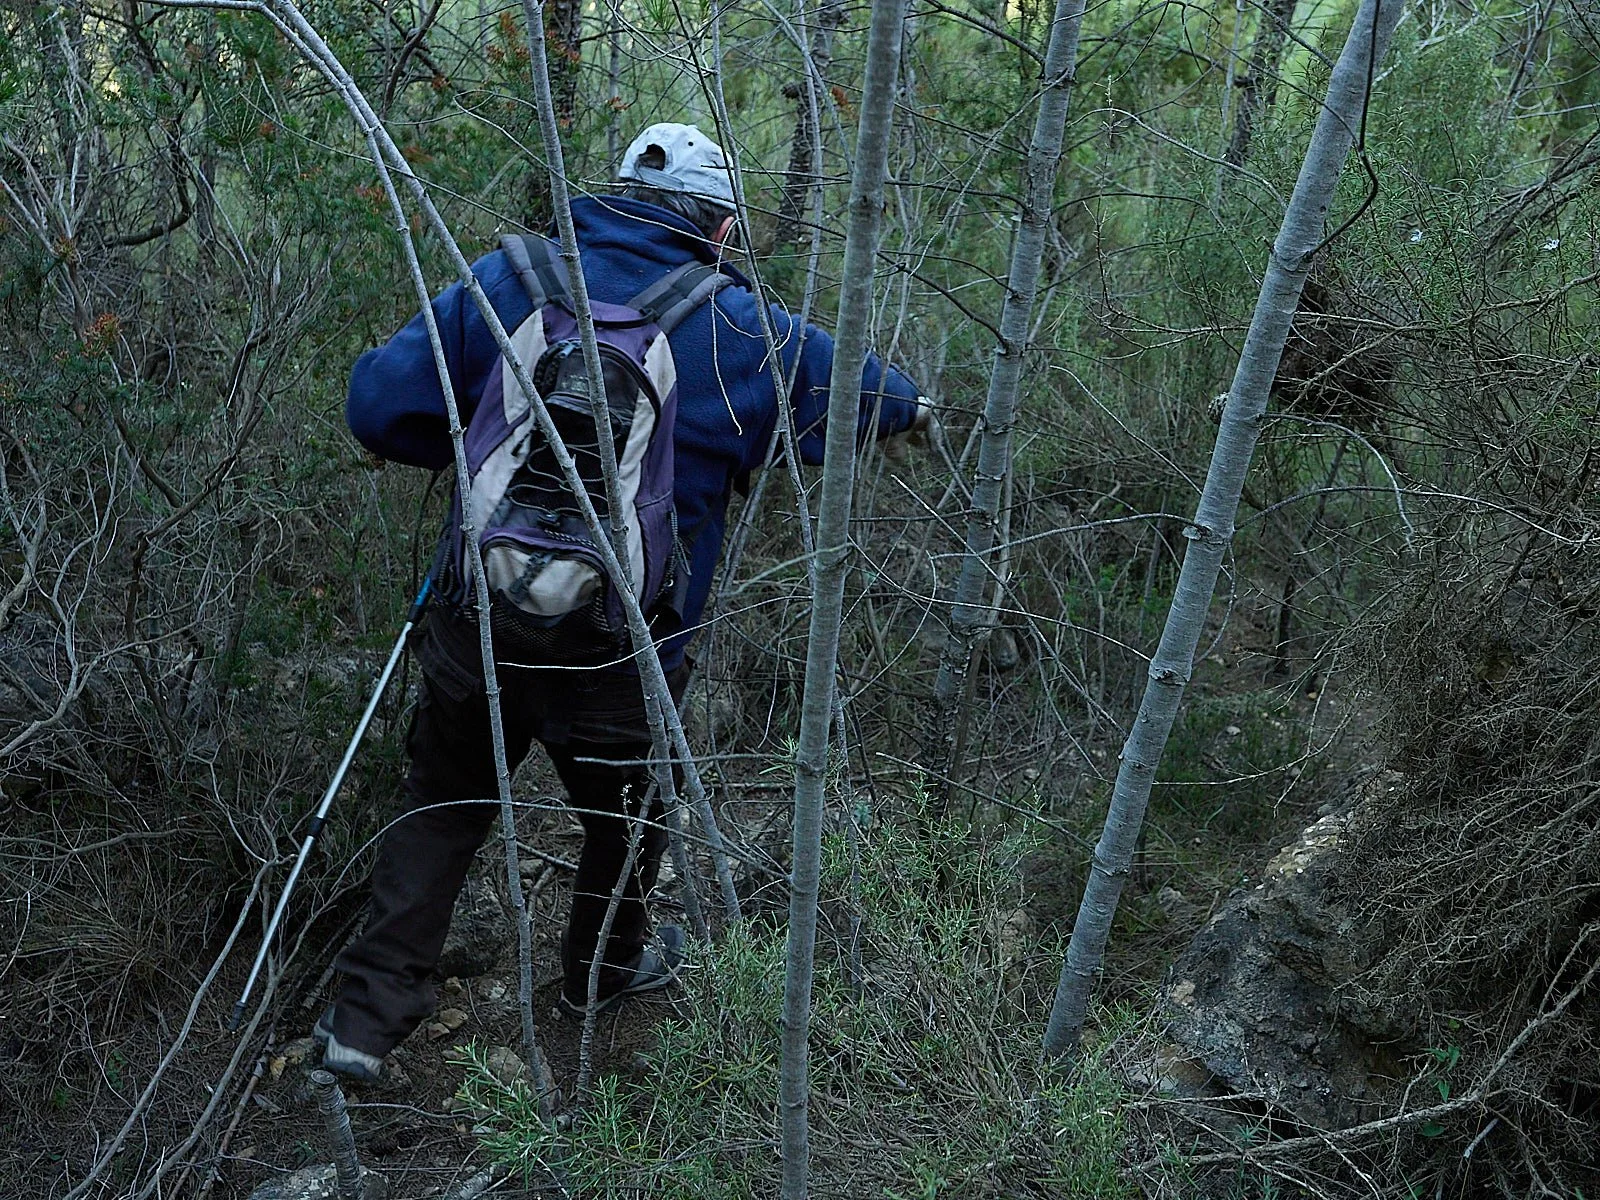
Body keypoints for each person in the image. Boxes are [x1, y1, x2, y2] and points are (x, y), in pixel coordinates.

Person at [317, 122, 932, 1081]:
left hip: (476, 623)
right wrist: (911, 413)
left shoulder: (509, 279)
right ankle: (600, 976)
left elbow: (377, 405)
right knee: (626, 816)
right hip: (627, 649)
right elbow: (874, 396)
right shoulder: (739, 326)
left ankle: (363, 1020)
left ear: (612, 197)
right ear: (719, 228)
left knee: (442, 804)